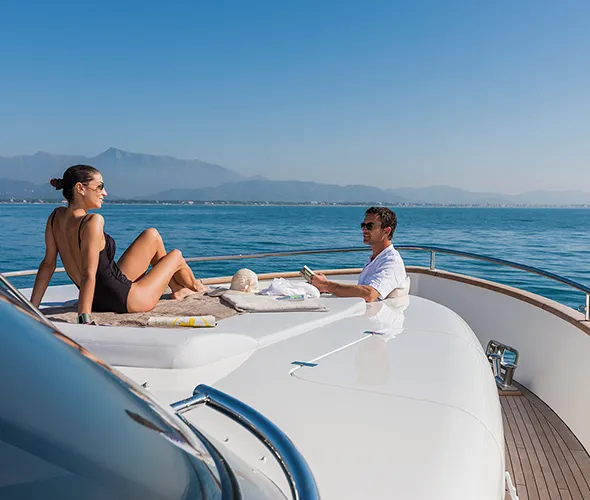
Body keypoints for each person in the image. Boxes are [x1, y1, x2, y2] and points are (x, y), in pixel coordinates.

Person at [30, 164, 206, 324]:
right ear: (80, 188)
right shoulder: (92, 222)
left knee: (151, 235)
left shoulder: (55, 217)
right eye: (99, 187)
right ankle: (197, 287)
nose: (104, 193)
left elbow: (47, 265)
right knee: (176, 256)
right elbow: (88, 274)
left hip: (99, 298)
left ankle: (177, 289)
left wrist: (31, 308)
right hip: (127, 300)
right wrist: (84, 317)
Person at [310, 206, 408, 302]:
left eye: (370, 226)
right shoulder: (375, 259)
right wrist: (325, 287)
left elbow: (370, 294)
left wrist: (327, 285)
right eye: (363, 225)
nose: (364, 230)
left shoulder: (392, 262)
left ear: (386, 231)